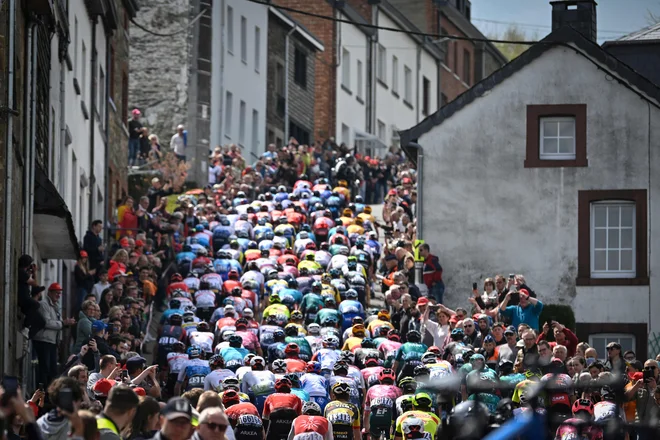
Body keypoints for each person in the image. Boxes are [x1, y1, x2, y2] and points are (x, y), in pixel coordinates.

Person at [33, 283, 76, 386]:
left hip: (51, 341)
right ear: (49, 293)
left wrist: (65, 323)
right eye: (56, 293)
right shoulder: (44, 304)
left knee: (52, 369)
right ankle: (42, 394)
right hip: (43, 340)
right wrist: (63, 323)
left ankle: (50, 394)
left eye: (59, 293)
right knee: (45, 368)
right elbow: (46, 323)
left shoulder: (55, 306)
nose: (58, 295)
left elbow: (57, 323)